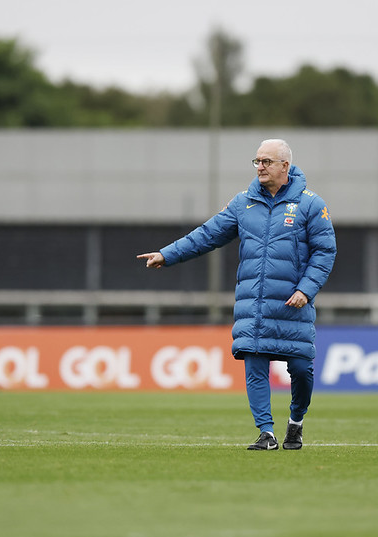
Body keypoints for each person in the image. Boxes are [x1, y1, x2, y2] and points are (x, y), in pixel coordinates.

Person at [137, 139, 336, 451]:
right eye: (256, 161)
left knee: (300, 369)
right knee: (254, 364)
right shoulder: (243, 203)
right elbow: (207, 234)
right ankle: (266, 433)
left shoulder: (311, 205)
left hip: (292, 304)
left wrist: (305, 290)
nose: (260, 167)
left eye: (267, 161)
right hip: (253, 305)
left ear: (285, 166)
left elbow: (325, 253)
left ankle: (296, 421)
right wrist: (167, 254)